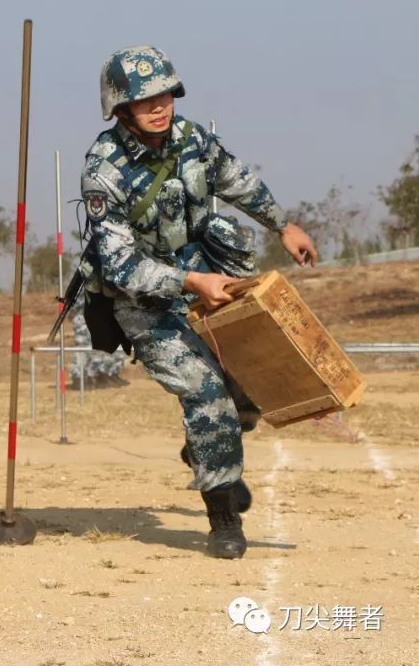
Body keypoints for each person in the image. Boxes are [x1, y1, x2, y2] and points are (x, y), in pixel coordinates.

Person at [80, 46, 317, 559]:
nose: (158, 105)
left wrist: (284, 224)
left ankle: (206, 449)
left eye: (163, 93)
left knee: (248, 380)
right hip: (141, 300)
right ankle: (223, 516)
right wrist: (191, 282)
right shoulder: (104, 168)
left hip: (204, 280)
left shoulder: (191, 138)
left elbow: (236, 180)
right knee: (207, 394)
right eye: (144, 99)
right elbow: (120, 265)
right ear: (120, 108)